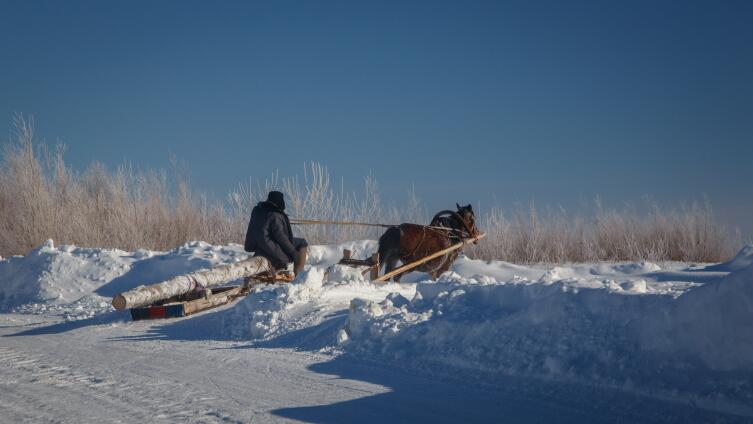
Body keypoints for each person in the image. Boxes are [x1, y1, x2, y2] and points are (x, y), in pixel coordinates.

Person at [244, 191, 308, 276]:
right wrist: (294, 254)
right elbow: (281, 238)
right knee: (302, 242)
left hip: (257, 245)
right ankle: (299, 274)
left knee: (291, 243)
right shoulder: (275, 215)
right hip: (270, 246)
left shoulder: (257, 210)